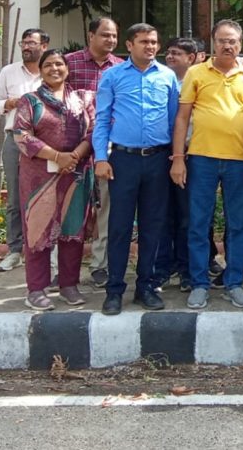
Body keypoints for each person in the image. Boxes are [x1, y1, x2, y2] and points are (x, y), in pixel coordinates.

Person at [171, 19, 243, 310]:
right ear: (212, 42)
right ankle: (199, 284)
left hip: (239, 160)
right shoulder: (197, 73)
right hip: (201, 159)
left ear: (240, 44)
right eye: (222, 40)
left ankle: (234, 283)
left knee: (238, 224)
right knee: (199, 223)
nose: (227, 46)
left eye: (233, 41)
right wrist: (178, 159)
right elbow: (182, 118)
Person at [93, 23, 179, 315]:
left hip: (158, 160)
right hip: (123, 160)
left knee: (153, 226)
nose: (150, 47)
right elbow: (102, 119)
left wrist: (176, 156)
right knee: (119, 226)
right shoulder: (113, 76)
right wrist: (100, 158)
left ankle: (146, 286)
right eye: (144, 42)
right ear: (129, 45)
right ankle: (114, 289)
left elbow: (174, 120)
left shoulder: (167, 76)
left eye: (154, 42)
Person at [12, 49, 95, 310]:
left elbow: (94, 131)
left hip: (75, 174)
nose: (54, 69)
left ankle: (69, 285)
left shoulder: (83, 99)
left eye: (59, 64)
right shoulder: (30, 101)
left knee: (73, 230)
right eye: (48, 65)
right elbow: (21, 135)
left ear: (67, 69)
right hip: (39, 177)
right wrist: (57, 156)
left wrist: (74, 156)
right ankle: (36, 289)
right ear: (41, 70)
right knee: (38, 231)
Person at [65, 17, 124, 289]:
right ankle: (63, 269)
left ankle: (100, 265)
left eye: (114, 36)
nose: (110, 40)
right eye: (105, 35)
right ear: (91, 35)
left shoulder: (121, 68)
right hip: (73, 148)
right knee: (70, 209)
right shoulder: (69, 63)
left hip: (107, 148)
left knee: (106, 208)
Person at [0, 28, 49, 272]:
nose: (26, 47)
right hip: (15, 140)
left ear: (44, 46)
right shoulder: (9, 72)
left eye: (31, 43)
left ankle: (44, 248)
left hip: (45, 142)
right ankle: (15, 250)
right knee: (15, 198)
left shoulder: (52, 70)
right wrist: (10, 103)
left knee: (46, 195)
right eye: (24, 43)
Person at [152, 37, 202, 294]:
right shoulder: (160, 79)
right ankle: (161, 269)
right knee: (162, 214)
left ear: (191, 58)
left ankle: (185, 269)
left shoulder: (198, 81)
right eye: (169, 52)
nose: (170, 57)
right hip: (161, 154)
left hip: (189, 155)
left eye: (176, 53)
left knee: (186, 216)